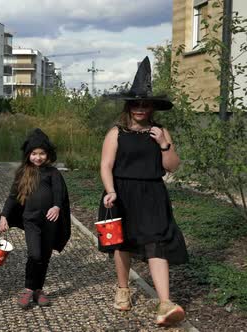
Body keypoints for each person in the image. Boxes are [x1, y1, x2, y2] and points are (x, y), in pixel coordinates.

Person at [98, 57, 188, 327]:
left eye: (144, 103)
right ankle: (123, 289)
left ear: (151, 107)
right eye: (135, 103)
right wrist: (110, 190)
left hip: (152, 194)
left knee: (156, 242)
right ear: (129, 106)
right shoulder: (117, 132)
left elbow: (172, 166)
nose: (140, 108)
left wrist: (163, 144)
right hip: (120, 193)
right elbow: (105, 166)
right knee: (121, 243)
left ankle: (165, 302)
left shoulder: (160, 131)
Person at [0, 128, 71, 309]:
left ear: (48, 154)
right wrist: (4, 215)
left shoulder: (53, 173)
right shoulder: (23, 173)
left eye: (42, 153)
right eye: (34, 153)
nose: (38, 157)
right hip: (31, 220)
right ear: (28, 154)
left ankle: (38, 290)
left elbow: (59, 193)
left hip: (50, 221)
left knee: (44, 256)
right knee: (35, 254)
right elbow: (13, 196)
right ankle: (29, 289)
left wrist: (56, 206)